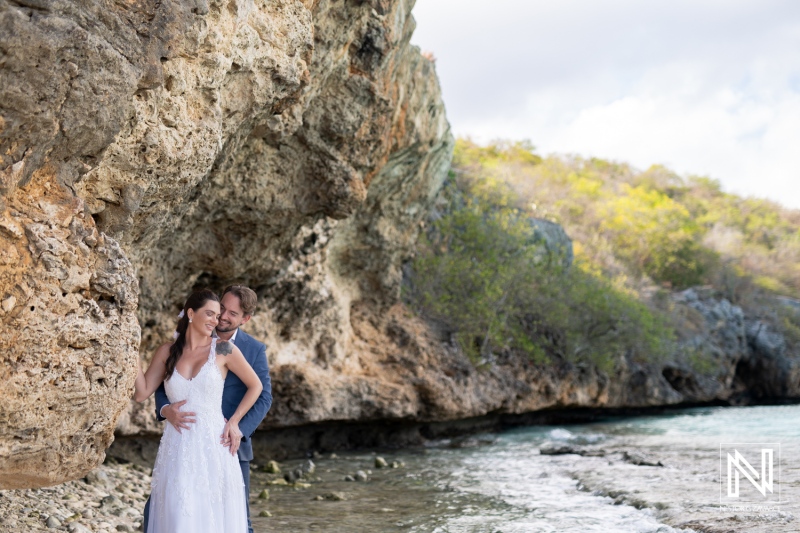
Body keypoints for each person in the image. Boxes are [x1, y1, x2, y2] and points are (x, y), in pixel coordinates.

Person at [134, 288, 270, 532]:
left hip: (216, 444)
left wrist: (235, 422)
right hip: (178, 445)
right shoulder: (168, 351)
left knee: (218, 517)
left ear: (244, 318)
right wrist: (130, 348)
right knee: (176, 513)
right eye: (211, 313)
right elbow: (142, 392)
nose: (216, 320)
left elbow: (258, 388)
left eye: (219, 316)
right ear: (189, 313)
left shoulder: (225, 349)